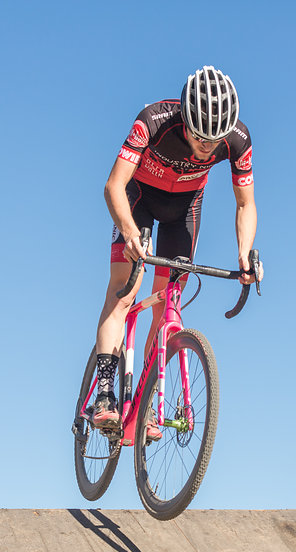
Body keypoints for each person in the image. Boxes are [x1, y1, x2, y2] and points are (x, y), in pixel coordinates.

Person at [91, 65, 261, 437]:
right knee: (125, 290)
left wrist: (245, 254)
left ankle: (146, 401)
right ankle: (104, 393)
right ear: (185, 117)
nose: (206, 147)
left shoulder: (237, 139)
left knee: (169, 301)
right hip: (138, 203)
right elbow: (113, 186)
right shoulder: (154, 120)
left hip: (182, 211)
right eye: (200, 137)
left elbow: (245, 203)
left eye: (213, 141)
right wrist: (130, 233)